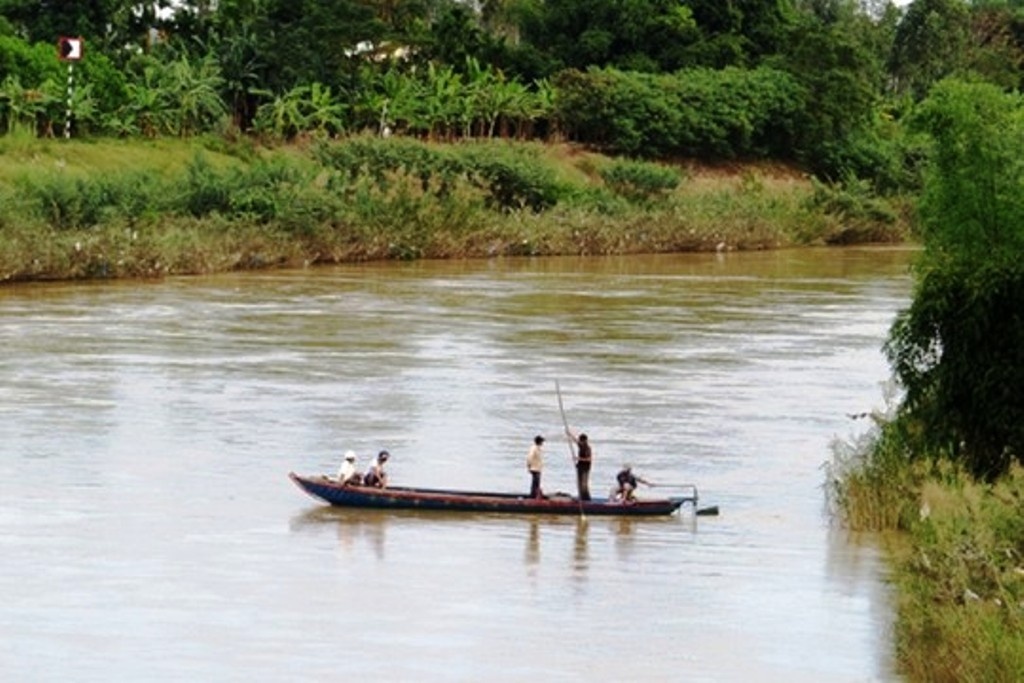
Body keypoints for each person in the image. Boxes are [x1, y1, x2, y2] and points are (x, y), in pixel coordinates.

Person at [566, 429, 592, 501]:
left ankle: (586, 498)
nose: (580, 442)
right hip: (580, 466)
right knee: (579, 483)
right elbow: (575, 441)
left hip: (585, 468)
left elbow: (589, 459)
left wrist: (578, 458)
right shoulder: (581, 445)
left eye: (581, 441)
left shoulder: (587, 448)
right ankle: (581, 497)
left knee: (584, 484)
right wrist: (570, 434)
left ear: (585, 441)